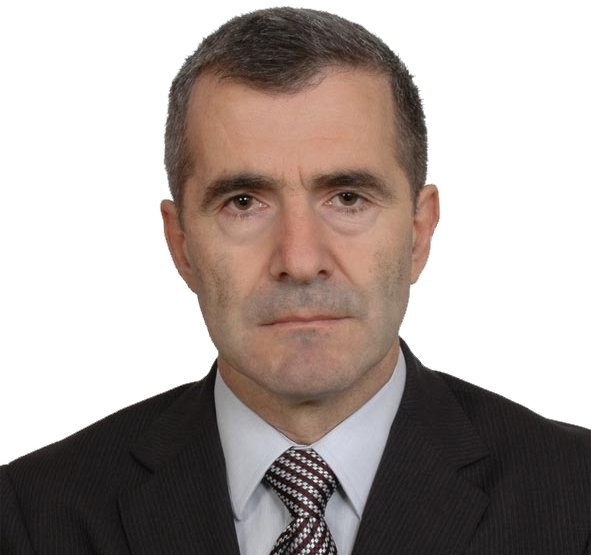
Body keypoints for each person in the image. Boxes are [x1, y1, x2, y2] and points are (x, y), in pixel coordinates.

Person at [1, 7, 589, 554]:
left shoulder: (578, 499)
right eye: (243, 202)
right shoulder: (30, 517)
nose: (301, 260)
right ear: (181, 245)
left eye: (348, 197)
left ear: (419, 232)